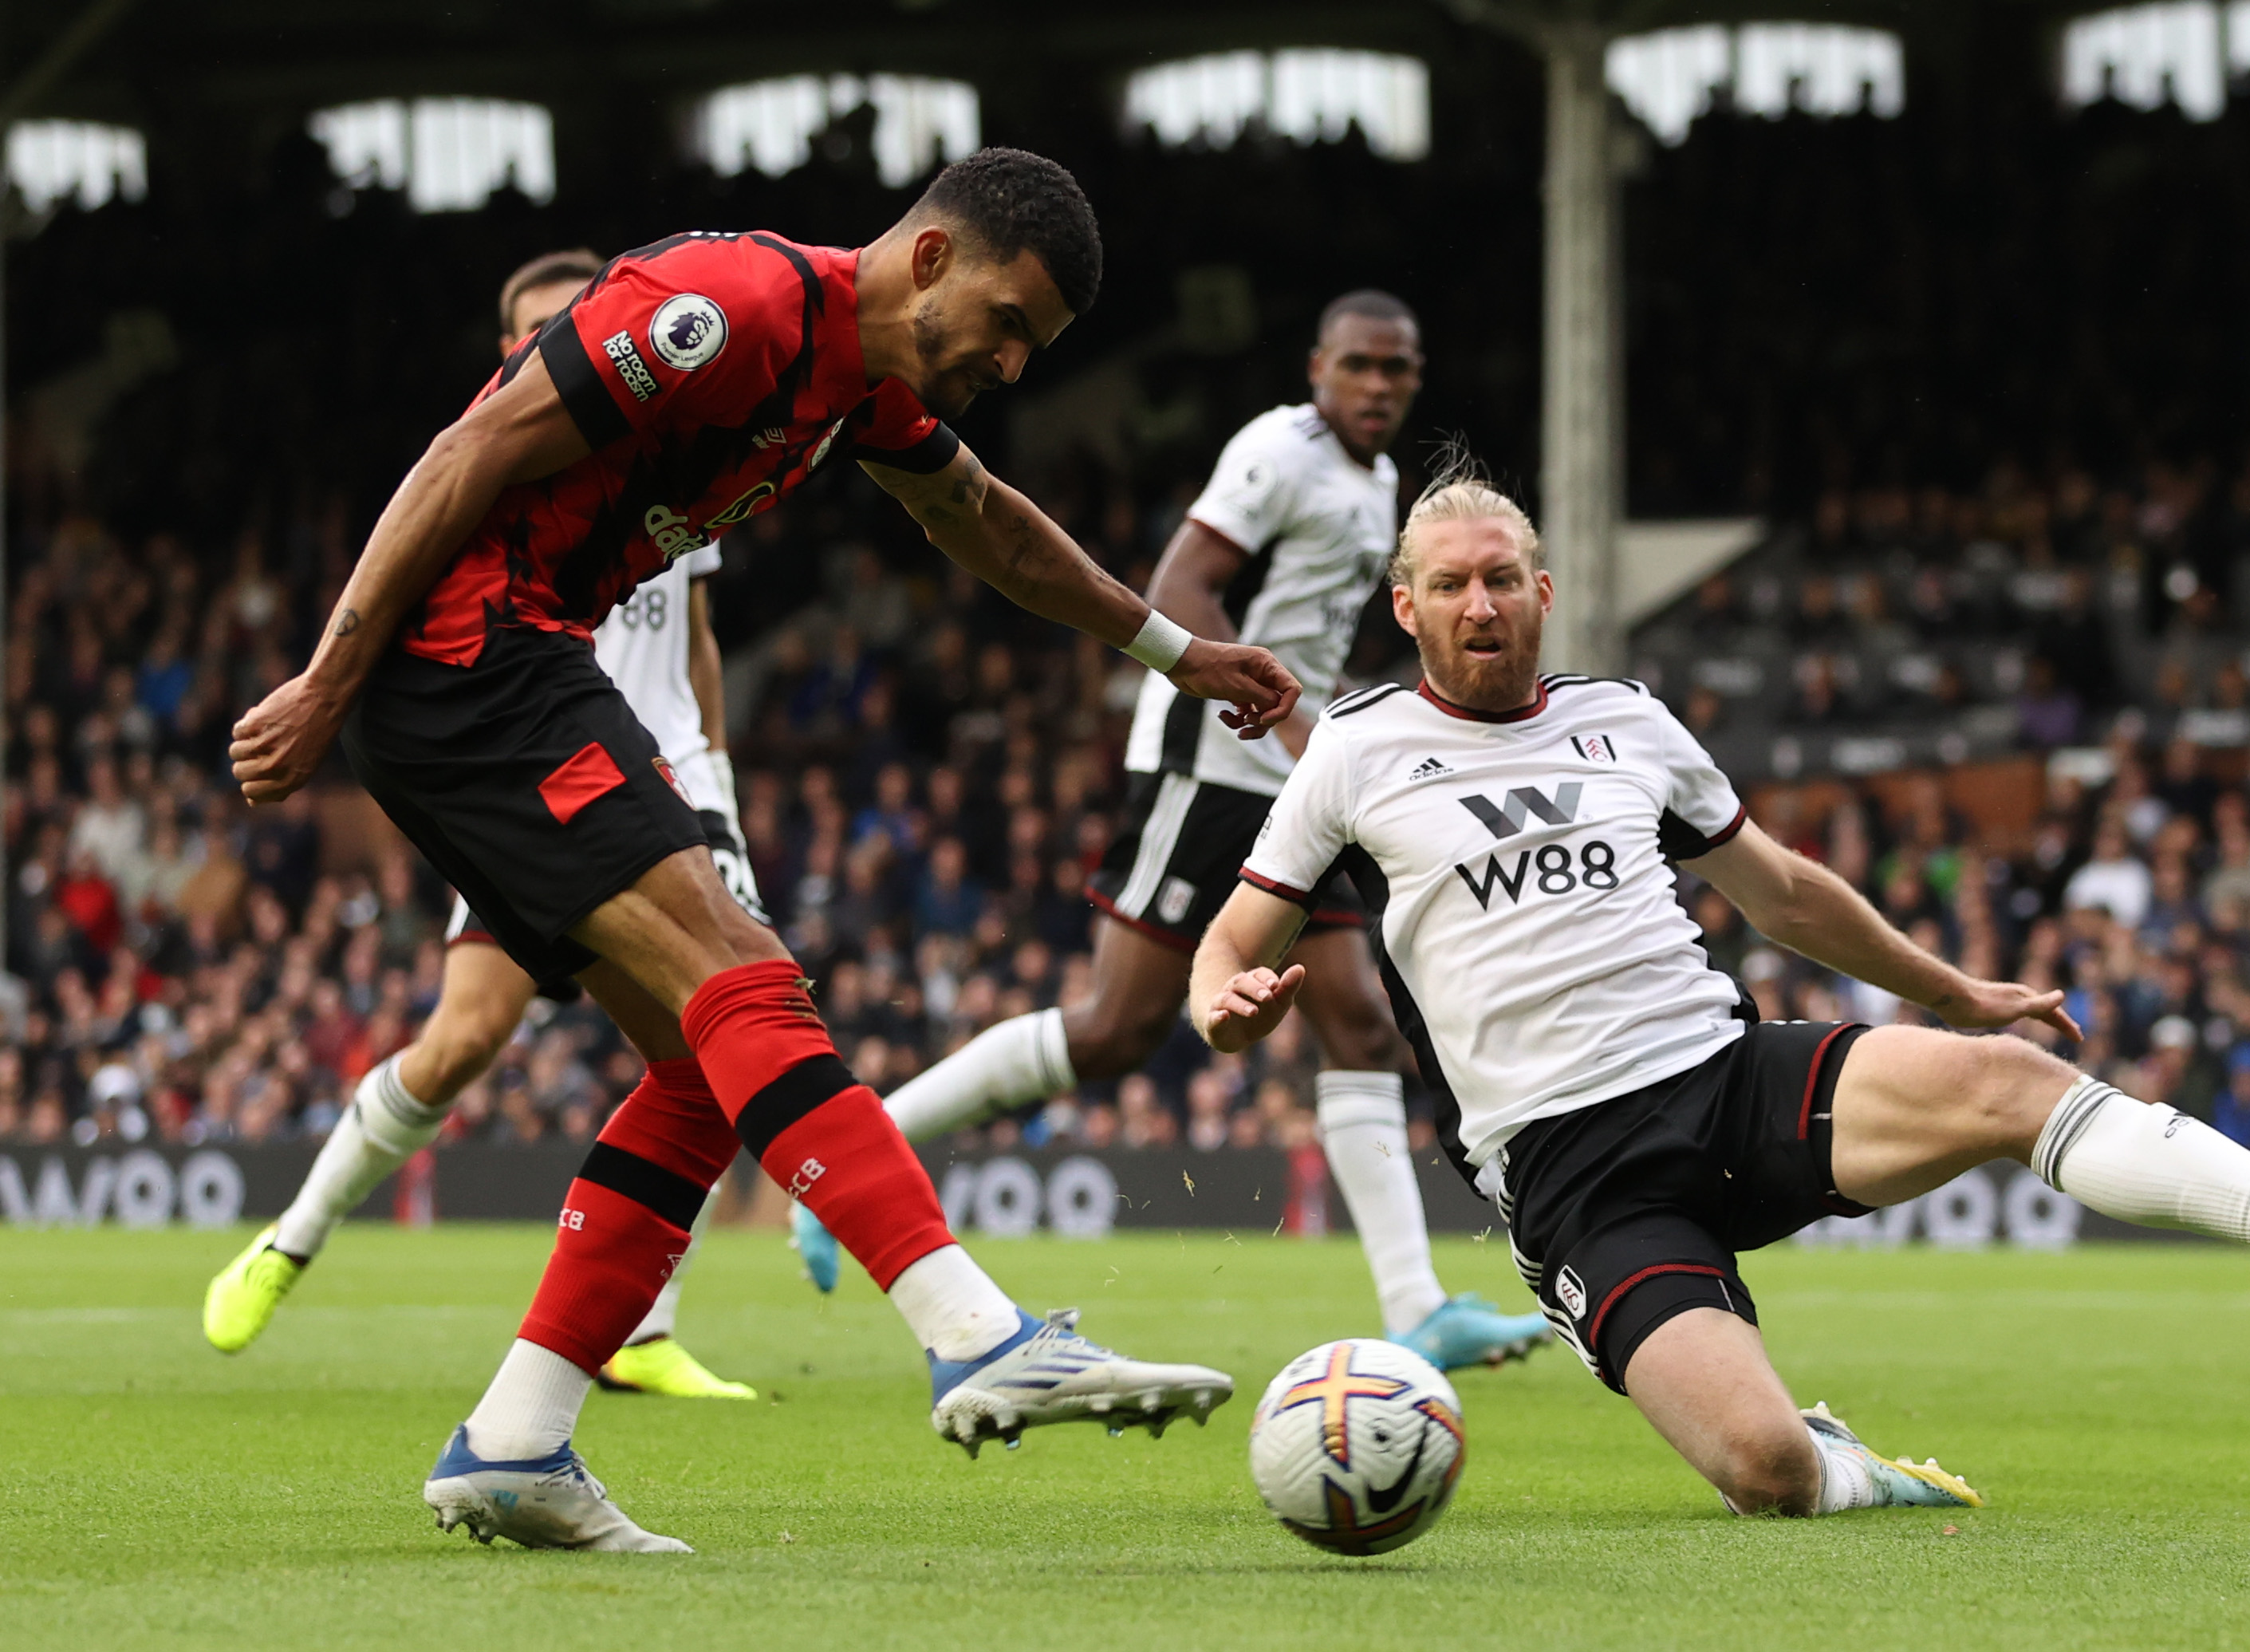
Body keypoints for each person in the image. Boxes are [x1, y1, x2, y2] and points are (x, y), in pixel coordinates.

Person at [227, 149, 1298, 1552]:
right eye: (1008, 324)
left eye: (1036, 347)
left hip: (515, 662)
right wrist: (327, 676)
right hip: (469, 652)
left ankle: (514, 1442)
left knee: (698, 1067)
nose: (1013, 365)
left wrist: (1175, 651)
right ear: (931, 259)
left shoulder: (860, 386)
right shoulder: (727, 305)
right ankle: (972, 1333)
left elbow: (984, 523)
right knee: (748, 979)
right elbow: (469, 449)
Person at [1188, 464, 2250, 1519]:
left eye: (1499, 582)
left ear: (1541, 591)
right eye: (1448, 586)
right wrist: (1221, 1001)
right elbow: (1231, 937)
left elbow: (1786, 894)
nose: (1479, 605)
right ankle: (1844, 1467)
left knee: (2005, 1079)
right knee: (1762, 1474)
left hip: (1721, 1074)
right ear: (1405, 609)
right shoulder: (1354, 752)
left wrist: (1958, 991)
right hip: (1574, 1167)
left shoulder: (1627, 720)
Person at [861, 292, 1547, 1370]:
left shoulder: (1376, 487)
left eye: (1397, 372)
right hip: (1211, 763)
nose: (1378, 386)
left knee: (1360, 1029)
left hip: (1290, 776)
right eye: (1360, 366)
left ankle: (1417, 1307)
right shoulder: (1277, 449)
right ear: (1318, 365)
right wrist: (1281, 720)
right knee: (1116, 1030)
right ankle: (859, 1155)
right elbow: (1182, 585)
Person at [203, 250, 761, 1401]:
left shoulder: (672, 456)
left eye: (574, 322)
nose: (560, 345)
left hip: (671, 783)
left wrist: (716, 772)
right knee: (462, 1042)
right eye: (533, 333)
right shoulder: (487, 482)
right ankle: (291, 1236)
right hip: (534, 767)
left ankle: (642, 1326)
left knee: (716, 1038)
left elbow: (695, 641)